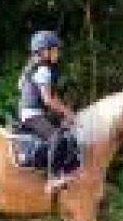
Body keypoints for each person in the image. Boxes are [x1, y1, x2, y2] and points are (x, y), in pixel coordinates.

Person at [16, 29, 78, 192]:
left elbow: (53, 97)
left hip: (36, 112)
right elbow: (47, 100)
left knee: (66, 130)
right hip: (32, 114)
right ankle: (52, 178)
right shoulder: (43, 70)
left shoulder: (33, 68)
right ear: (44, 51)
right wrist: (67, 112)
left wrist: (66, 112)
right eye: (55, 49)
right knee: (56, 137)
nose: (58, 53)